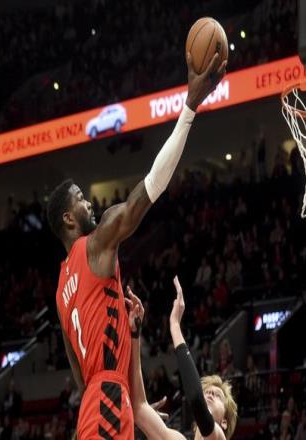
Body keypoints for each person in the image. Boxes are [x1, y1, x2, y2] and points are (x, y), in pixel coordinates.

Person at [48, 52, 226, 439]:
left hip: (97, 404)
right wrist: (189, 108)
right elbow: (148, 190)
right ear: (68, 219)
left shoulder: (61, 291)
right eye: (80, 199)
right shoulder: (94, 245)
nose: (88, 203)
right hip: (109, 400)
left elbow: (80, 376)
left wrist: (127, 398)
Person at [126, 276, 238, 440]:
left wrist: (175, 325)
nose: (210, 394)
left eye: (218, 396)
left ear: (224, 422)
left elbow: (197, 400)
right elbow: (139, 407)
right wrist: (135, 334)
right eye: (208, 392)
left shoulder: (219, 436)